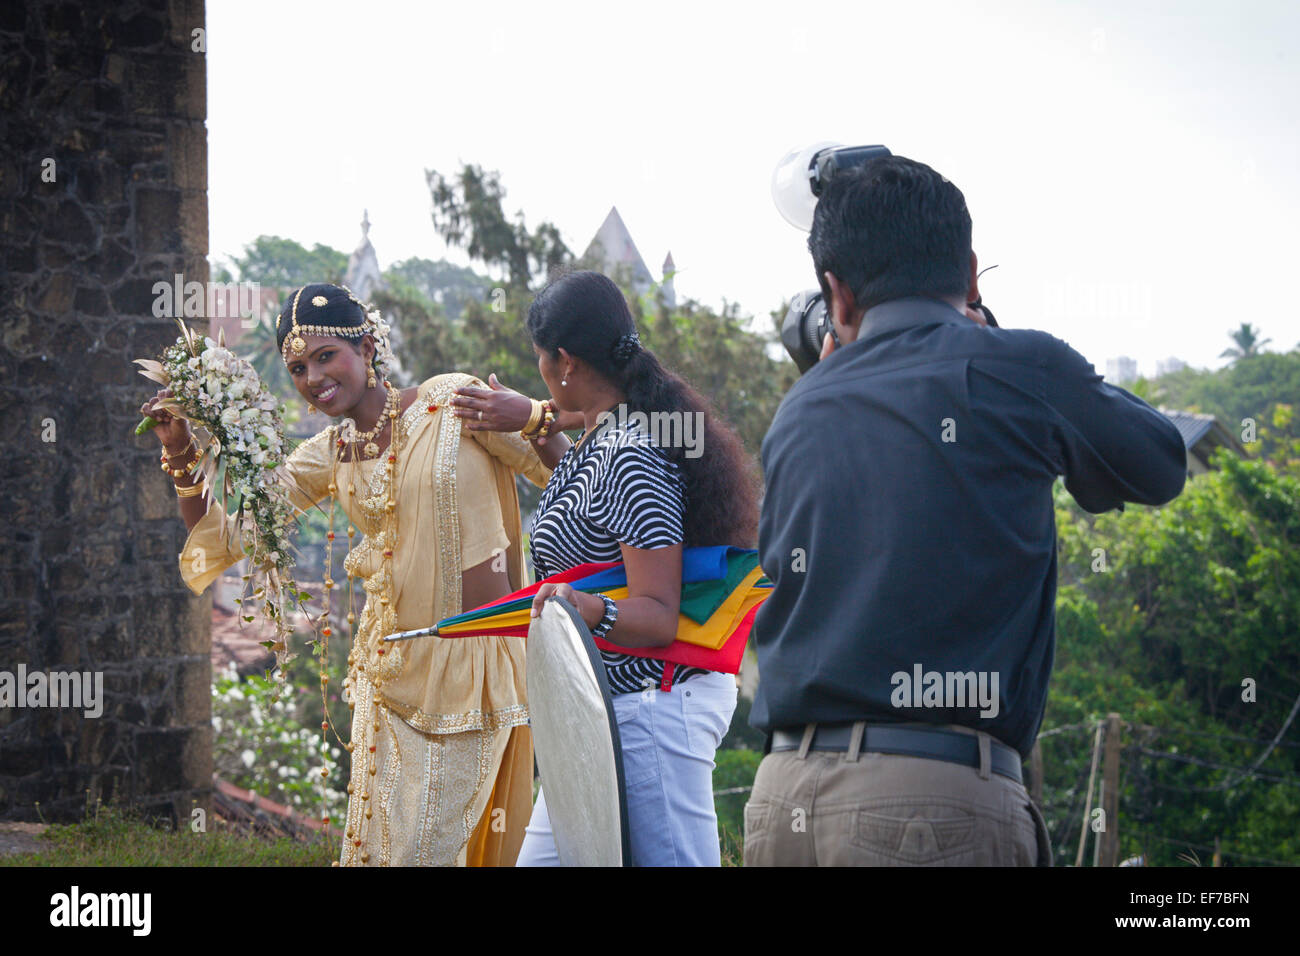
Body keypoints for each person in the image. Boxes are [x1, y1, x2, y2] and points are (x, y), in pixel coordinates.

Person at [745, 156, 1188, 866]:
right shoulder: (1018, 368)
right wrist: (1016, 355)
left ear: (838, 294)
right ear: (972, 272)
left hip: (780, 799)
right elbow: (1160, 464)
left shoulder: (798, 406)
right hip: (927, 812)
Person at [141, 283, 562, 866]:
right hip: (385, 677)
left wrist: (538, 415)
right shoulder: (330, 452)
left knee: (428, 853)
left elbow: (568, 475)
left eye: (324, 357)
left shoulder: (450, 402)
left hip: (472, 670)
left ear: (366, 348)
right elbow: (229, 534)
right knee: (381, 855)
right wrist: (182, 451)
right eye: (297, 368)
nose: (312, 378)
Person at [451, 270, 759, 866]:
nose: (538, 371)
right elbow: (588, 510)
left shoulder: (633, 455)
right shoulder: (603, 440)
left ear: (563, 361)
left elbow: (659, 616)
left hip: (652, 709)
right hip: (600, 711)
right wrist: (537, 425)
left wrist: (589, 609)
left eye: (539, 359)